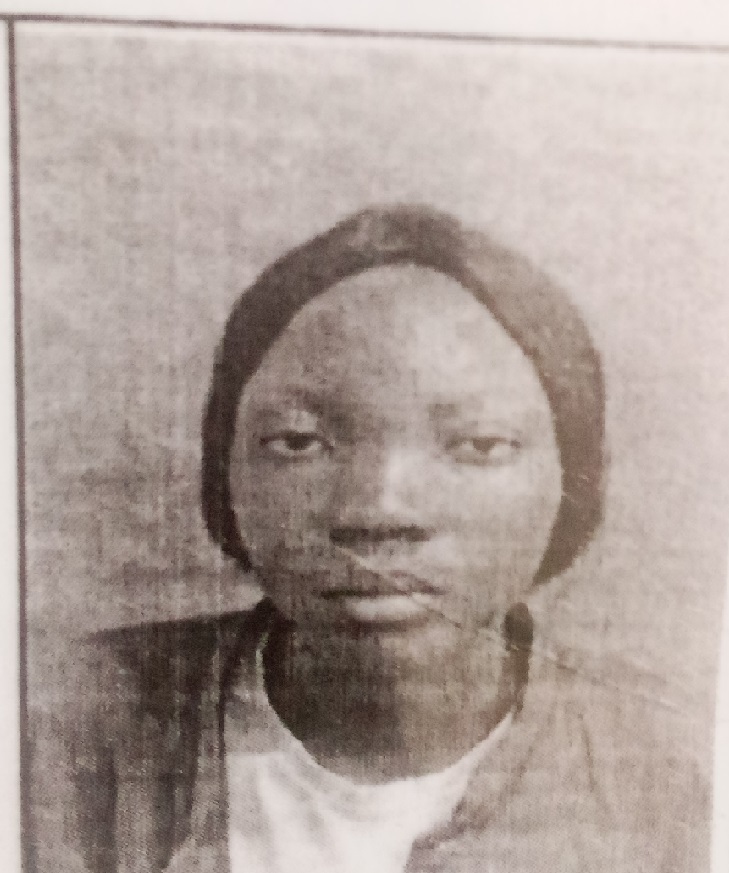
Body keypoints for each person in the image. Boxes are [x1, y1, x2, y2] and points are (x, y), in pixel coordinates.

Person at [30, 205, 709, 873]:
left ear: (571, 477)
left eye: (478, 444)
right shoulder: (60, 728)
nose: (379, 508)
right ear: (225, 467)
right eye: (299, 441)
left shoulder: (677, 766)